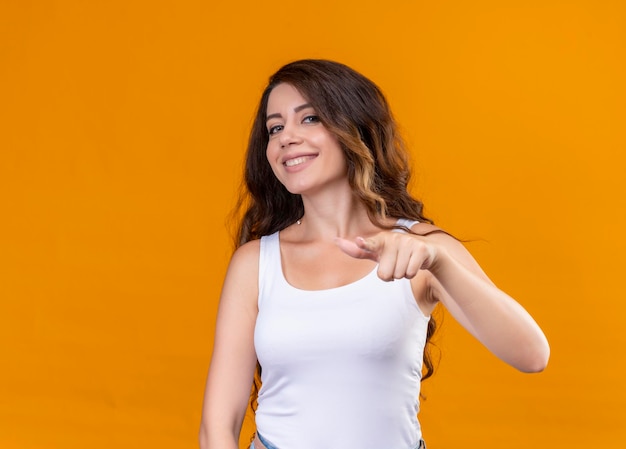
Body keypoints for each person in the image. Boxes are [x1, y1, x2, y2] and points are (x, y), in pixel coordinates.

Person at [199, 59, 550, 449]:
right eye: (275, 128)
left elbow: (531, 354)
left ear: (356, 129)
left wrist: (441, 263)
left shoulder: (423, 250)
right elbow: (218, 425)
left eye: (310, 119)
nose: (286, 138)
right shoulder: (255, 263)